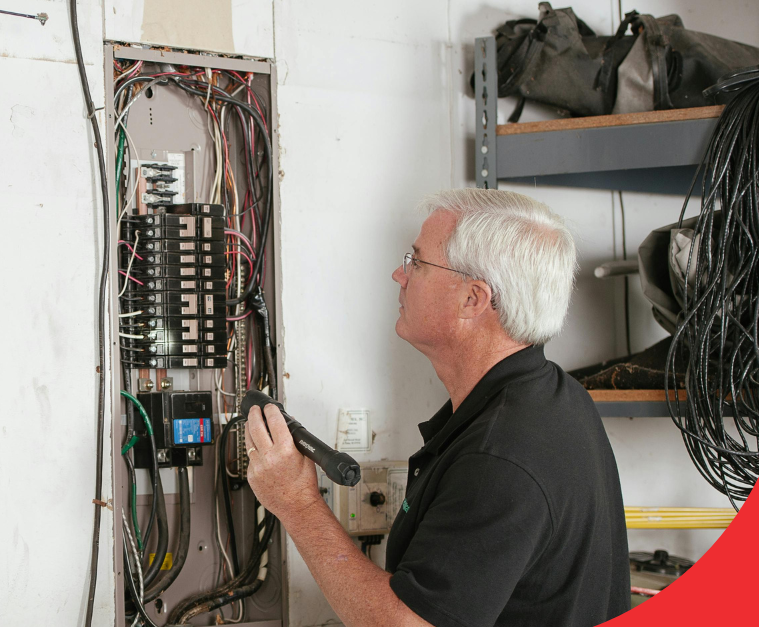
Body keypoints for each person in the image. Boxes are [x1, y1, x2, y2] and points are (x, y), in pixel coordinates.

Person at [244, 189, 630, 627]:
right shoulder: (554, 394)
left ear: (473, 299)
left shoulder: (500, 457)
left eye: (417, 262)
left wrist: (296, 503)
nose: (399, 274)